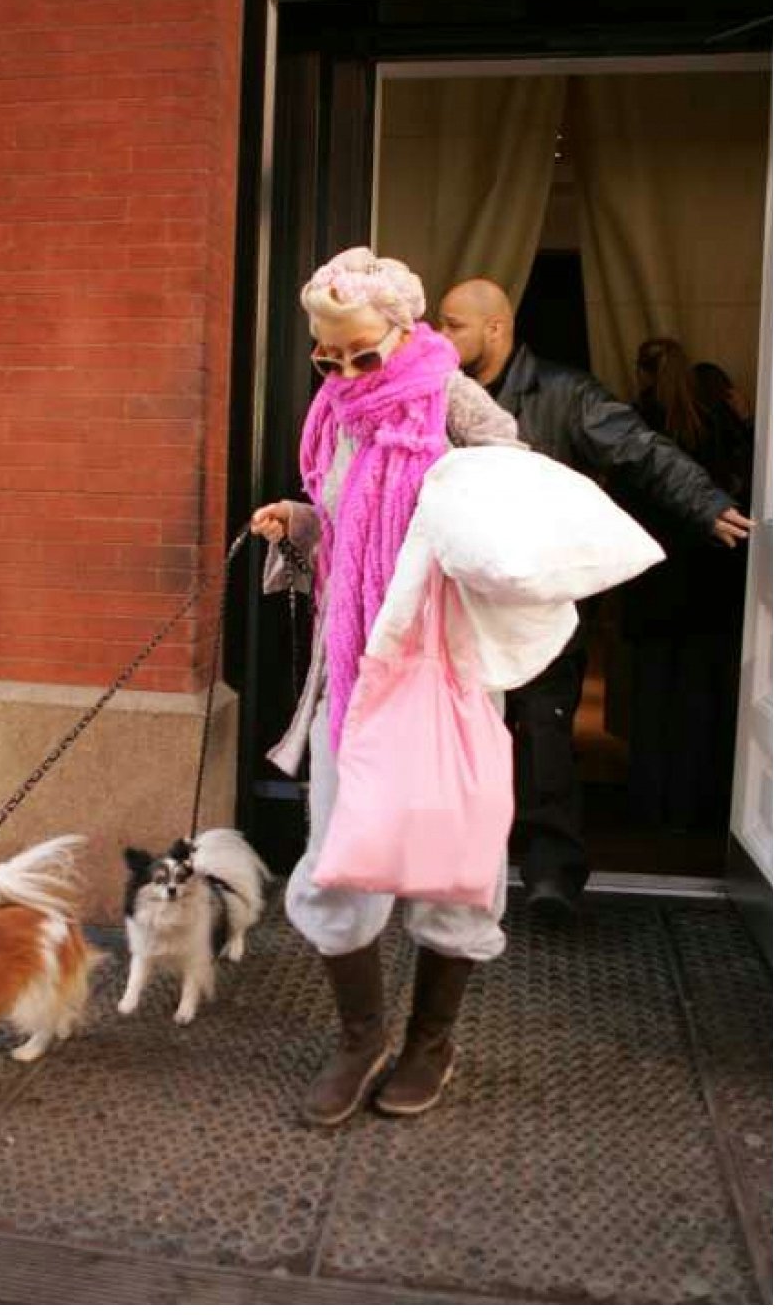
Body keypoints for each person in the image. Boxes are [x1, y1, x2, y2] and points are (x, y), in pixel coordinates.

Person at [251, 247, 527, 1126]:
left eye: (361, 354)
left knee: (453, 858)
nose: (342, 373)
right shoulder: (337, 412)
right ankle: (359, 1036)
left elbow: (516, 508)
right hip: (354, 667)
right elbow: (337, 522)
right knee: (340, 853)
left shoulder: (455, 401)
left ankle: (431, 1042)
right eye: (326, 357)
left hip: (445, 667)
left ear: (404, 333)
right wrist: (299, 524)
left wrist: (447, 539)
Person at [437, 279, 754, 918]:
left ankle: (551, 876)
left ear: (496, 328)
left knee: (545, 730)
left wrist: (704, 502)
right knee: (462, 736)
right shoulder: (437, 395)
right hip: (462, 597)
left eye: (452, 325)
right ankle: (460, 870)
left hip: (543, 597)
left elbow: (639, 448)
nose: (441, 338)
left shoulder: (565, 392)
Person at [620, 339, 755, 831]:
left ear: (642, 373)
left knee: (651, 699)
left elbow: (622, 503)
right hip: (708, 586)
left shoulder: (632, 427)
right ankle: (694, 806)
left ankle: (648, 806)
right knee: (699, 700)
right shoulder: (716, 426)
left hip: (653, 581)